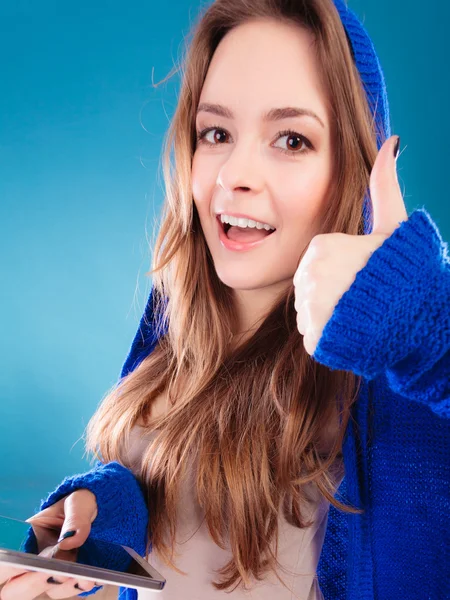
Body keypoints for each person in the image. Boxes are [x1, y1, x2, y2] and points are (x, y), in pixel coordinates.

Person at [1, 0, 449, 598]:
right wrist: (110, 515)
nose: (234, 173)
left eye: (291, 139)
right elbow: (180, 492)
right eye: (216, 132)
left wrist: (424, 324)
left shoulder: (400, 377)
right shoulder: (173, 312)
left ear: (355, 166)